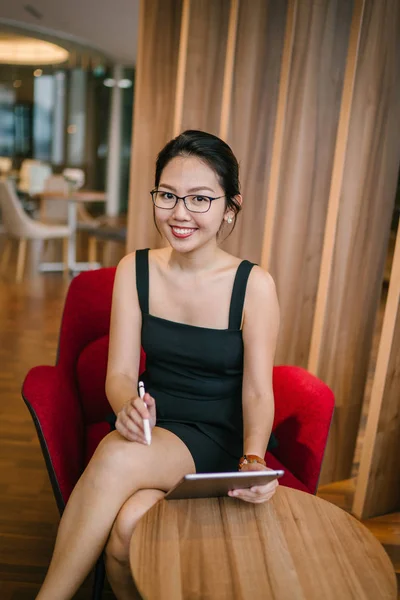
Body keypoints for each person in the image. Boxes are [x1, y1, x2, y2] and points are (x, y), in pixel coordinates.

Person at [36, 130, 280, 600]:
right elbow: (121, 374)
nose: (179, 213)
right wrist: (127, 405)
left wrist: (252, 459)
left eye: (200, 199)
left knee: (114, 456)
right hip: (155, 426)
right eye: (167, 195)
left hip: (218, 438)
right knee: (127, 529)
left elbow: (257, 391)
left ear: (230, 206)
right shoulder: (136, 268)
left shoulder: (254, 285)